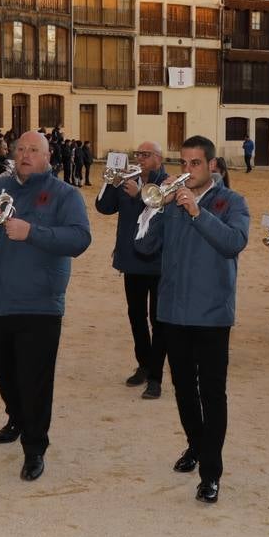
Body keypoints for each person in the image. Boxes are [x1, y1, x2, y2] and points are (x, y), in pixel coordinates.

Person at [0, 132, 91, 482]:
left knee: (35, 382)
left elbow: (79, 239)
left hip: (39, 307)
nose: (26, 154)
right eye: (21, 149)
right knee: (3, 372)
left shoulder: (65, 195)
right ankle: (16, 417)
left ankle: (34, 448)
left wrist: (33, 231)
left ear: (48, 157)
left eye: (34, 150)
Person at [134, 135, 249, 505]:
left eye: (195, 163)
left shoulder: (231, 202)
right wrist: (157, 207)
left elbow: (233, 242)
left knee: (212, 394)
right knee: (183, 389)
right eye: (183, 163)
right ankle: (196, 445)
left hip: (213, 315)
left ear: (212, 165)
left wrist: (198, 213)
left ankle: (211, 472)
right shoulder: (170, 203)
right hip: (172, 312)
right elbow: (144, 247)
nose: (187, 170)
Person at [95, 142, 167, 397]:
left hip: (158, 263)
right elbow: (103, 207)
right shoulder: (128, 179)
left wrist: (138, 194)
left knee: (159, 320)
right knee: (136, 316)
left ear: (159, 158)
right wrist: (110, 181)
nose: (140, 158)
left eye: (146, 155)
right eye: (138, 154)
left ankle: (156, 376)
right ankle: (144, 364)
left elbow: (161, 211)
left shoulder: (167, 182)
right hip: (132, 261)